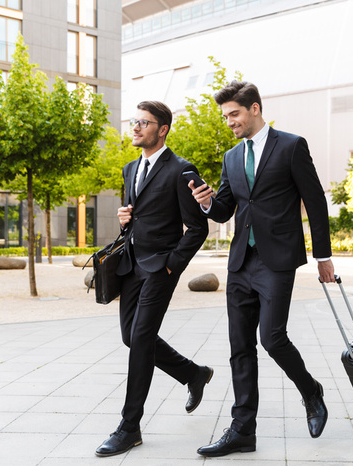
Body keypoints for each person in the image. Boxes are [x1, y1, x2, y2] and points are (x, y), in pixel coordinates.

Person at [189, 81, 335, 457]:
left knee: (272, 338)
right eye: (226, 116)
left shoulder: (291, 146)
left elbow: (315, 202)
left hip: (277, 260)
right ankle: (242, 430)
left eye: (234, 114)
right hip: (241, 263)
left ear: (255, 108)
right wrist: (206, 203)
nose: (229, 122)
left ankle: (311, 391)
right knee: (240, 347)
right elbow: (225, 209)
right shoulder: (231, 157)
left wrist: (323, 256)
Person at [95, 101, 213, 457]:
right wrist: (124, 220)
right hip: (131, 265)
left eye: (143, 123)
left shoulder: (181, 170)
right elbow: (134, 219)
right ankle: (193, 373)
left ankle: (129, 426)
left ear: (162, 129)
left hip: (160, 268)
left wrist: (171, 265)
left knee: (142, 338)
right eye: (134, 121)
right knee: (131, 337)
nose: (135, 128)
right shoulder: (130, 168)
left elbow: (197, 227)